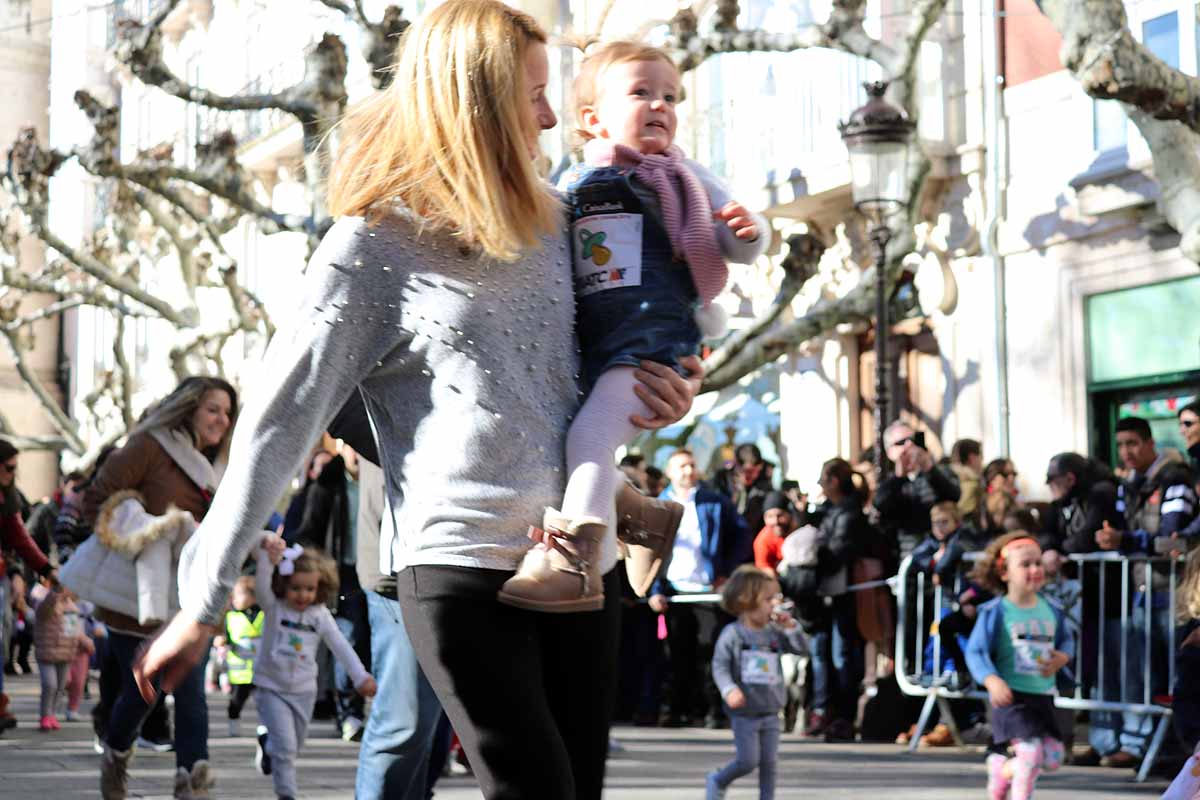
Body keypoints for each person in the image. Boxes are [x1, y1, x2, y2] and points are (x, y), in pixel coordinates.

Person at [133, 4, 701, 798]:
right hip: (460, 564)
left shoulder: (563, 220)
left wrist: (660, 389)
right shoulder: (371, 245)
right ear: (473, 102)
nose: (548, 117)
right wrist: (202, 598)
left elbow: (595, 367)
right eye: (532, 95)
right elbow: (280, 420)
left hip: (578, 565)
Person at [498, 40, 765, 612]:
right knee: (583, 437)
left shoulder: (681, 174)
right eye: (641, 93)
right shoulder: (570, 182)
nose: (660, 106)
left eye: (670, 96)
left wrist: (749, 231)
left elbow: (730, 241)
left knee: (590, 439)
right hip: (598, 345)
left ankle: (573, 564)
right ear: (593, 119)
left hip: (650, 342)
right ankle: (641, 519)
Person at [77, 375, 237, 800]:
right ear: (189, 408)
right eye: (213, 409)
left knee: (190, 690)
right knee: (142, 690)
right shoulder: (151, 446)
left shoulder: (222, 468)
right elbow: (97, 501)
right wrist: (149, 529)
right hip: (138, 594)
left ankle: (191, 781)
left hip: (192, 596)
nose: (222, 419)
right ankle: (116, 752)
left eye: (227, 411)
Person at [251, 536, 376, 800]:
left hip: (304, 691)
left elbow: (340, 646)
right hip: (271, 688)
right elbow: (262, 587)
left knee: (293, 746)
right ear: (284, 584)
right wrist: (266, 559)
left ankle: (268, 744)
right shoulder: (274, 608)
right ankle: (287, 793)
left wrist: (360, 676)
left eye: (309, 589)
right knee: (286, 748)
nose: (303, 595)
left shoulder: (319, 615)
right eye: (296, 588)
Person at [965, 532, 1073, 800]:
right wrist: (991, 680)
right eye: (1025, 564)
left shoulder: (1052, 610)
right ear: (1004, 573)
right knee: (1030, 753)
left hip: (1043, 696)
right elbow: (976, 650)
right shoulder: (996, 611)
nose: (1034, 570)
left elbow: (1067, 641)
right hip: (1011, 698)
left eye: (1038, 563)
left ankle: (1002, 767)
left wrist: (1063, 658)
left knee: (1052, 757)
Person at [650, 448, 751, 728]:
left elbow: (742, 535)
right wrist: (654, 589)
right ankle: (677, 709)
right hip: (675, 592)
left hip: (708, 589)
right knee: (678, 654)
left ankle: (713, 711)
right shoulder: (658, 505)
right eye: (681, 466)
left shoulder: (714, 502)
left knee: (711, 652)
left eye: (692, 465)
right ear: (670, 471)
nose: (688, 471)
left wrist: (726, 572)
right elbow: (649, 551)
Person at [706, 565, 806, 800]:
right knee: (748, 761)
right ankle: (718, 779)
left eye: (776, 598)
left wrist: (791, 628)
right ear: (746, 601)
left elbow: (801, 648)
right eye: (768, 599)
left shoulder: (775, 632)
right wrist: (729, 689)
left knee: (769, 764)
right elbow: (719, 666)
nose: (775, 604)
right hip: (745, 712)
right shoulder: (733, 634)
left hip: (771, 709)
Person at [0, 439, 55, 725]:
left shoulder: (9, 498)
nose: (12, 474)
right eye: (8, 468)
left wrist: (44, 568)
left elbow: (19, 538)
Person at [873, 422, 961, 560]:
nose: (910, 447)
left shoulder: (938, 473)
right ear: (890, 452)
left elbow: (954, 495)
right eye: (901, 442)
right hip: (907, 558)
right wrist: (899, 478)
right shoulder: (890, 484)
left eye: (914, 440)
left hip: (941, 555)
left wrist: (929, 469)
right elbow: (881, 505)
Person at [33, 584, 93, 730]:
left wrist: (84, 642)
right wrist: (55, 594)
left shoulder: (72, 608)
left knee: (60, 686)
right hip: (46, 653)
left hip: (65, 655)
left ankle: (52, 714)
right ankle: (45, 715)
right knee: (49, 684)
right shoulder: (44, 601)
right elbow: (44, 609)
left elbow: (72, 632)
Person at [224, 576, 263, 737]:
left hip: (261, 670)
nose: (233, 598)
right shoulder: (230, 616)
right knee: (236, 701)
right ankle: (234, 721)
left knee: (266, 702)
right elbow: (224, 635)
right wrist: (222, 640)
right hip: (240, 673)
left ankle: (266, 727)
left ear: (252, 596)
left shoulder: (264, 614)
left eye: (238, 594)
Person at [752, 491, 795, 574]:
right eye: (770, 516)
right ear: (764, 519)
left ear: (789, 515)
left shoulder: (799, 531)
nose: (775, 521)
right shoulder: (762, 541)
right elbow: (766, 572)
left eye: (780, 515)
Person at [949, 438, 984, 524]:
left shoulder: (947, 476)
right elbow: (963, 513)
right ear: (972, 458)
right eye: (981, 457)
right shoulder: (971, 483)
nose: (982, 461)